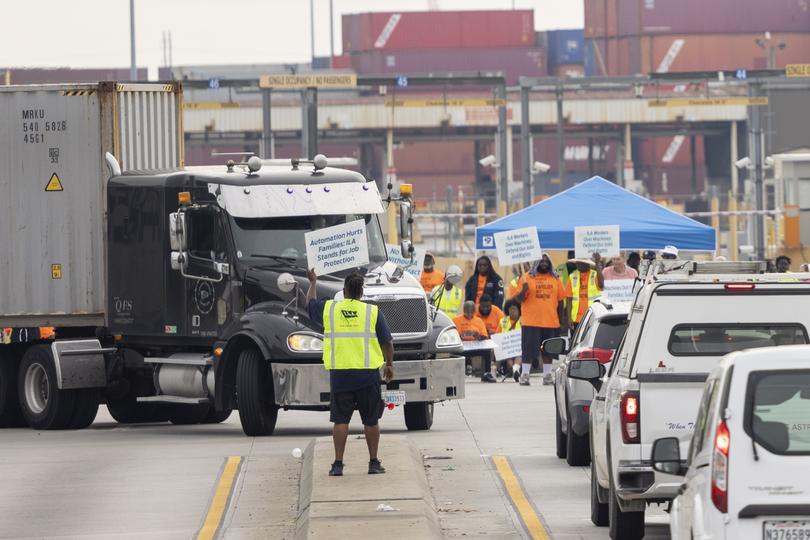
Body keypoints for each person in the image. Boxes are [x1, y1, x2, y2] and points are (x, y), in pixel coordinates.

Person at [307, 269, 395, 477]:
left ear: (344, 291)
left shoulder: (330, 309)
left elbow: (310, 305)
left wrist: (313, 282)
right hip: (367, 375)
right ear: (361, 292)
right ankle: (373, 462)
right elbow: (387, 342)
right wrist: (389, 364)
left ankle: (338, 464)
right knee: (371, 421)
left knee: (340, 420)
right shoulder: (372, 312)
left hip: (341, 375)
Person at [515, 254, 568, 385]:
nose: (544, 263)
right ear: (536, 263)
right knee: (528, 350)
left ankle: (547, 375)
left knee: (548, 350)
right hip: (531, 321)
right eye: (541, 261)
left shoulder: (556, 279)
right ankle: (525, 375)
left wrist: (561, 321)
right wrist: (523, 291)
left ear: (550, 263)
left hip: (551, 321)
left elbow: (561, 302)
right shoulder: (526, 278)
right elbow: (518, 299)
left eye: (546, 261)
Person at [454, 301, 496, 383]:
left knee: (487, 351)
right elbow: (454, 335)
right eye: (467, 312)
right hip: (463, 347)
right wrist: (461, 336)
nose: (469, 314)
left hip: (475, 345)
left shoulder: (479, 321)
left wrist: (478, 336)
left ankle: (486, 373)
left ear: (474, 311)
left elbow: (485, 336)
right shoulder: (457, 320)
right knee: (454, 352)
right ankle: (457, 374)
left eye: (471, 312)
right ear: (464, 311)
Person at [565, 254, 604, 334]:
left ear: (587, 264)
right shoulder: (572, 276)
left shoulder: (595, 274)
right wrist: (569, 318)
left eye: (582, 263)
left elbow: (601, 285)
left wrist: (597, 264)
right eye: (577, 263)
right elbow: (569, 299)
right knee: (575, 344)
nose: (579, 265)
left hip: (593, 316)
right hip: (576, 318)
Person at [497, 299, 524, 384]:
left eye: (514, 309)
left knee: (518, 355)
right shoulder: (503, 321)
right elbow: (498, 335)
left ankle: (515, 369)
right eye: (510, 309)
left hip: (519, 347)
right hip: (507, 349)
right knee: (509, 358)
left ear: (519, 310)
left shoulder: (523, 320)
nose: (512, 311)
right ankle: (515, 370)